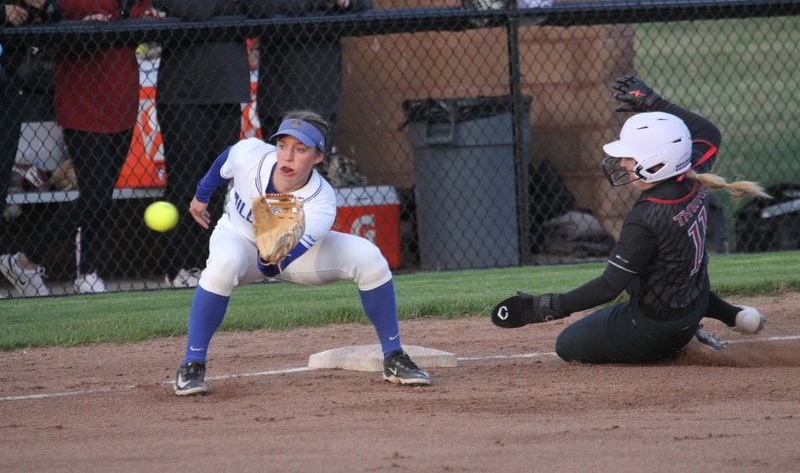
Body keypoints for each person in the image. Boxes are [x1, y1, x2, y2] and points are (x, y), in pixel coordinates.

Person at [491, 76, 768, 363]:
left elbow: (609, 286)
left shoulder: (646, 216)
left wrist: (543, 307)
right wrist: (655, 103)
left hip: (657, 331)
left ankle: (685, 341)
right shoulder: (693, 173)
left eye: (631, 158)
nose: (623, 164)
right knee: (659, 265)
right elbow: (708, 132)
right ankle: (732, 315)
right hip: (692, 302)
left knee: (567, 344)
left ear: (658, 164)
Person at [173, 110, 430, 395]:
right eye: (282, 145)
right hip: (238, 238)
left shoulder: (321, 201)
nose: (287, 156)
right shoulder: (252, 155)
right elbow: (226, 158)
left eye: (300, 149)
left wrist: (270, 257)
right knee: (223, 265)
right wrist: (201, 195)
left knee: (369, 257)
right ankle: (192, 364)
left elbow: (275, 265)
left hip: (288, 257)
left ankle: (394, 357)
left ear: (318, 156)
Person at [0, 0, 164, 297]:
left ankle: (87, 272)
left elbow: (145, 36)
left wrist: (152, 22)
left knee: (102, 195)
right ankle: (25, 260)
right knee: (95, 195)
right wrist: (79, 27)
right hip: (82, 108)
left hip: (123, 108)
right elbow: (48, 36)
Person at [154, 0, 275, 288]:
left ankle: (210, 264)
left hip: (226, 96)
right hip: (184, 99)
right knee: (185, 182)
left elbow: (265, 12)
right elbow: (198, 10)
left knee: (220, 184)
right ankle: (176, 267)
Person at [257, 0, 373, 150]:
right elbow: (267, 5)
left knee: (318, 163)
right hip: (281, 102)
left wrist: (347, 1)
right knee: (282, 164)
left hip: (323, 99)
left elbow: (365, 1)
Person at [0, 0, 62, 244]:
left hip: (10, 85)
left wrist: (40, 2)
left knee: (3, 168)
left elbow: (58, 19)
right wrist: (2, 12)